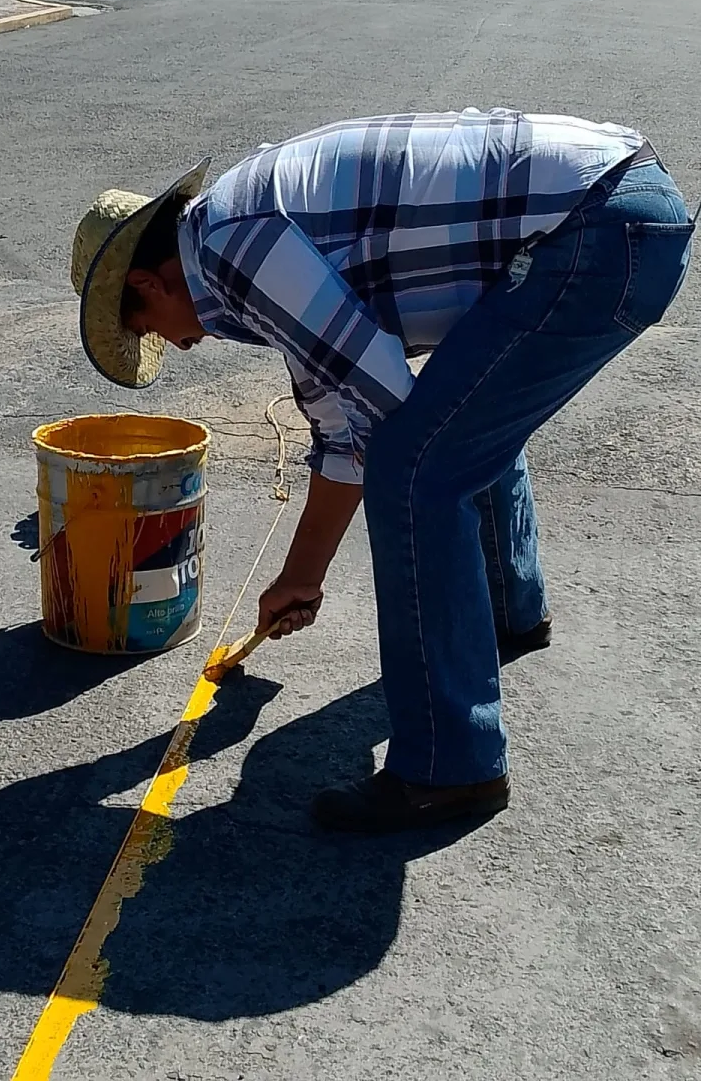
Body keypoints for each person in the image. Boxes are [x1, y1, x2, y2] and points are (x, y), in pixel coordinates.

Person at [71, 108, 694, 835]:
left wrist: (305, 571)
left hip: (594, 230)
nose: (172, 348)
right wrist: (303, 574)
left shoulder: (231, 249)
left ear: (148, 282)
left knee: (419, 468)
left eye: (144, 328)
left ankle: (449, 767)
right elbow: (341, 413)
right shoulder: (232, 228)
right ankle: (506, 614)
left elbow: (383, 409)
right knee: (457, 425)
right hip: (616, 206)